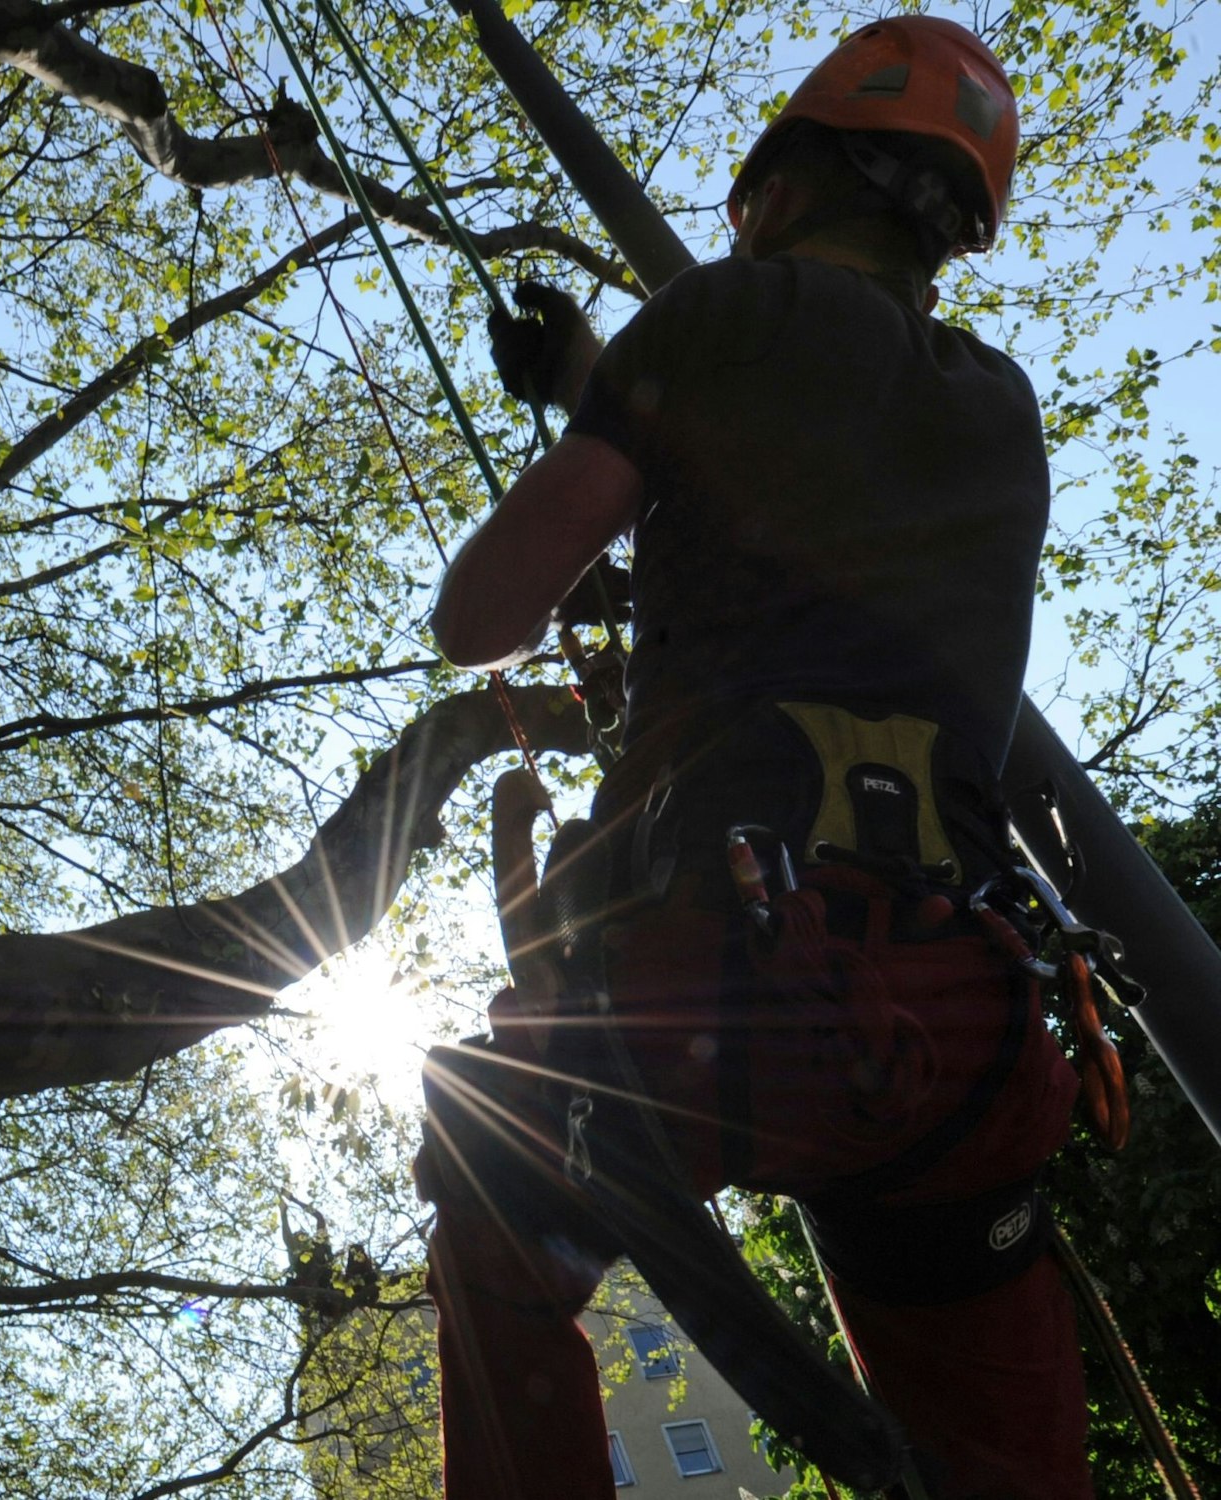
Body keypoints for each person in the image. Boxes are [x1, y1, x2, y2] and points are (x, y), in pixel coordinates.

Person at [420, 18, 1095, 1499]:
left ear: (786, 189)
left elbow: (482, 616)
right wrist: (618, 384)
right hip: (958, 1037)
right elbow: (818, 509)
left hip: (714, 981)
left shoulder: (719, 319)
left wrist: (607, 404)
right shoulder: (1001, 410)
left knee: (489, 1156)